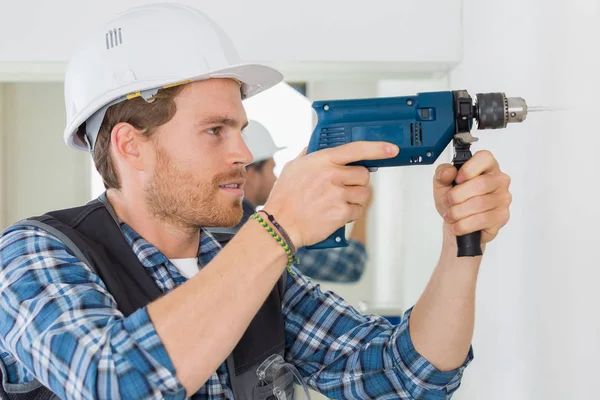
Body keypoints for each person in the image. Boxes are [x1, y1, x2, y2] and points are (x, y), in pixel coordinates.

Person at [0, 3, 513, 400]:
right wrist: (279, 226)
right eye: (215, 130)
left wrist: (460, 245)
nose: (244, 153)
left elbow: (405, 375)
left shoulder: (244, 263)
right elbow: (113, 381)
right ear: (131, 145)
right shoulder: (33, 254)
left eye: (240, 129)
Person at [233, 120, 371, 282]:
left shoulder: (225, 230)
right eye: (271, 168)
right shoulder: (265, 234)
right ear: (252, 174)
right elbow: (350, 266)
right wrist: (363, 203)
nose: (275, 178)